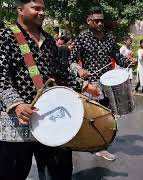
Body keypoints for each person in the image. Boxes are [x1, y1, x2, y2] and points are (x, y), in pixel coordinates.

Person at [0, 0, 96, 179]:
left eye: (43, 9)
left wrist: (85, 86)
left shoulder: (49, 40)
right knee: (13, 172)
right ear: (20, 9)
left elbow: (62, 73)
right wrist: (17, 103)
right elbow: (2, 76)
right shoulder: (5, 36)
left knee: (60, 171)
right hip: (16, 122)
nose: (42, 12)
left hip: (50, 118)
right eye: (36, 8)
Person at [69, 6, 132, 161]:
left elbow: (118, 58)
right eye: (96, 21)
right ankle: (82, 141)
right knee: (89, 116)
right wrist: (79, 69)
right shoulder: (82, 38)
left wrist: (130, 62)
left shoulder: (110, 38)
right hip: (90, 85)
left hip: (108, 83)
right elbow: (70, 60)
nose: (99, 24)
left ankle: (101, 147)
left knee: (105, 116)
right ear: (88, 21)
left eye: (101, 21)